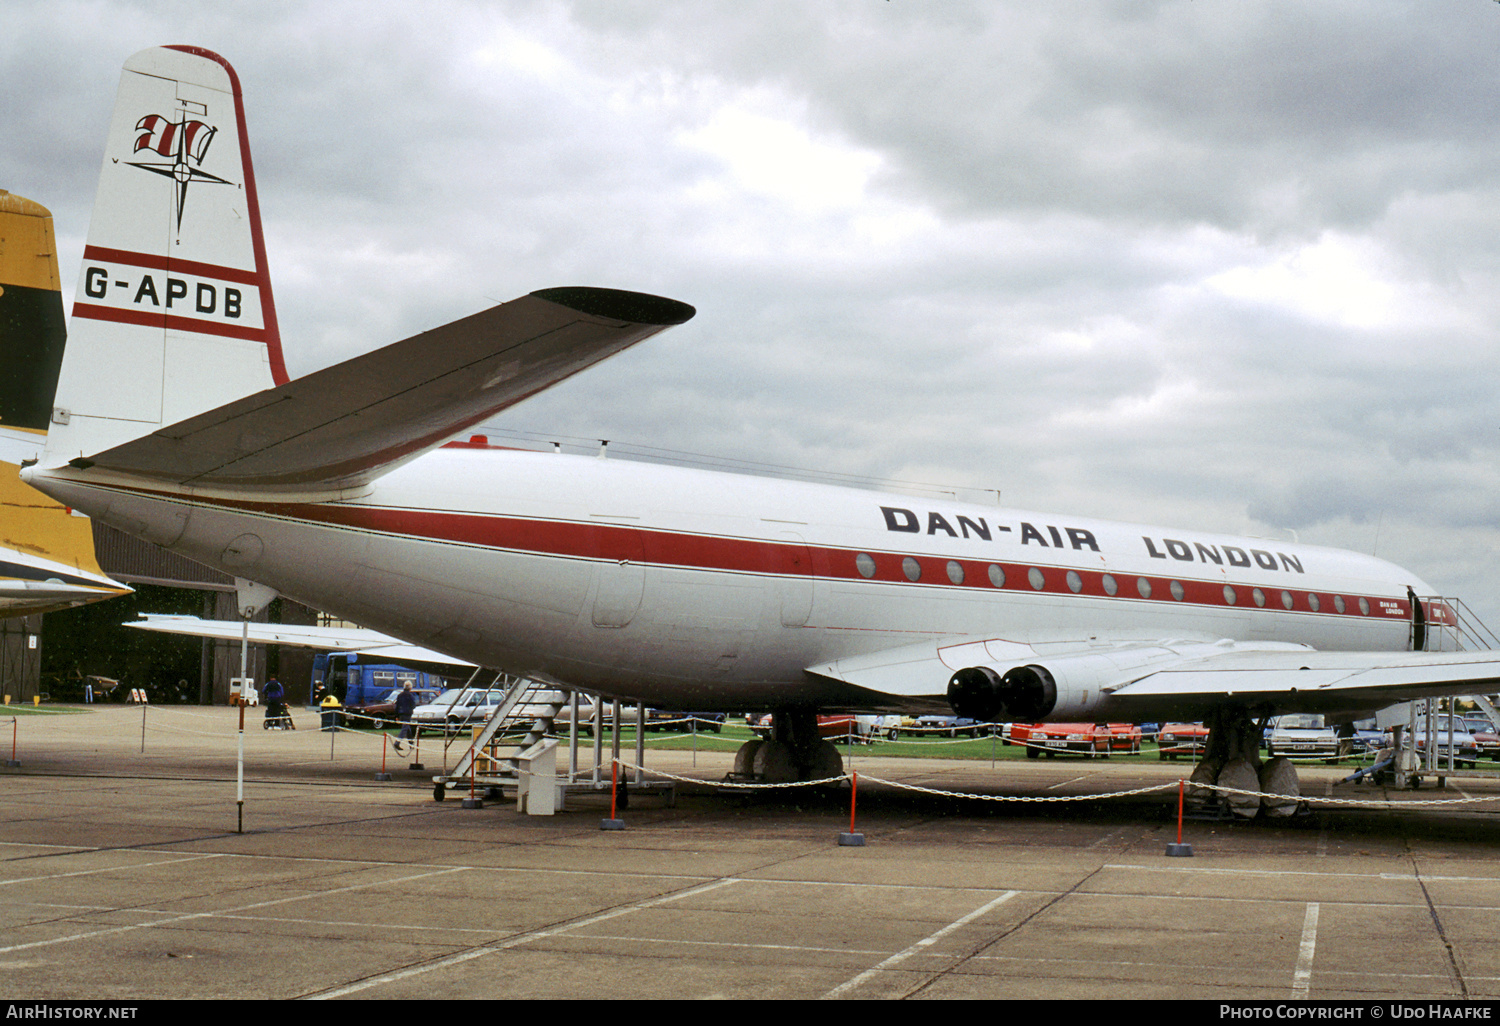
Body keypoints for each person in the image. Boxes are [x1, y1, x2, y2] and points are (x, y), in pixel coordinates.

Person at [393, 682, 418, 753]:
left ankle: (411, 744)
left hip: (401, 714)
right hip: (407, 714)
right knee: (404, 729)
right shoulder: (411, 695)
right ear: (410, 687)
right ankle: (397, 743)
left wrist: (397, 716)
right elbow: (413, 705)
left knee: (407, 729)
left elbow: (397, 706)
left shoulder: (400, 695)